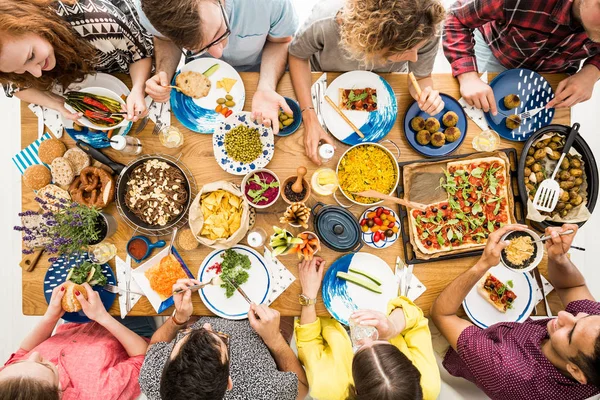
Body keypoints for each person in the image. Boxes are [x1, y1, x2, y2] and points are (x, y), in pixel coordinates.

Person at [430, 223, 600, 400]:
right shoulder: (594, 332)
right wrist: (558, 258)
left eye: (570, 333)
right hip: (511, 331)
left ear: (575, 370)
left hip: (458, 345)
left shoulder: (507, 371)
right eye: (583, 316)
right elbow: (573, 286)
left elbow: (442, 314)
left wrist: (483, 265)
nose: (564, 315)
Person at [288, 0, 446, 165]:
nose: (414, 58)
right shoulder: (324, 21)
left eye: (417, 48)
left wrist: (425, 92)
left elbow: (420, 77)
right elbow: (297, 55)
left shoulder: (427, 27)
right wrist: (309, 116)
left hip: (387, 83)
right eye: (407, 51)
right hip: (322, 76)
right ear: (374, 41)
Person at [136, 0, 298, 134]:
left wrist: (267, 86)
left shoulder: (269, 3)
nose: (217, 54)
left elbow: (282, 41)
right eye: (200, 48)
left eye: (219, 31)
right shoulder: (148, 8)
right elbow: (165, 40)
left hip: (261, 70)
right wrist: (163, 72)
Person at [295, 257, 441, 400]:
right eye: (382, 342)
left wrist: (308, 296)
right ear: (413, 369)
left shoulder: (326, 388)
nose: (366, 337)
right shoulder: (428, 385)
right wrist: (393, 327)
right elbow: (417, 321)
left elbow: (308, 340)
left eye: (359, 348)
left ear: (356, 391)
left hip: (325, 308)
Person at [138, 278, 309, 400]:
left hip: (197, 313)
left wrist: (179, 319)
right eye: (220, 339)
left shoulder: (151, 378)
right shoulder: (267, 393)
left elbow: (155, 346)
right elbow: (302, 387)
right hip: (268, 331)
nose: (207, 326)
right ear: (228, 382)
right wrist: (274, 339)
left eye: (187, 336)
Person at [0, 0, 154, 122]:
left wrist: (137, 89)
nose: (37, 73)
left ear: (34, 23)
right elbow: (15, 87)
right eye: (18, 69)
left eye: (31, 56)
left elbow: (140, 53)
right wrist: (57, 104)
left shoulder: (96, 18)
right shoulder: (9, 57)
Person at [443, 0, 600, 115]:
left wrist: (591, 73)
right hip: (497, 53)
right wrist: (468, 76)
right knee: (480, 113)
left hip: (556, 75)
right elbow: (455, 18)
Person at [0, 283, 150, 400]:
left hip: (77, 322)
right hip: (128, 331)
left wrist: (50, 317)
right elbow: (142, 358)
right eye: (44, 364)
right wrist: (102, 317)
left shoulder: (9, 384)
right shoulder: (100, 393)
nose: (35, 354)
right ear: (59, 391)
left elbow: (24, 351)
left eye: (22, 362)